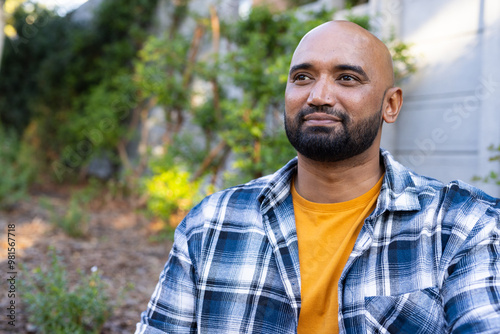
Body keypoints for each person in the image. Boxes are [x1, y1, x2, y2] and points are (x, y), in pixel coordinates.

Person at [136, 20, 500, 333]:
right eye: (303, 77)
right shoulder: (211, 224)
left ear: (390, 105)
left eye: (346, 78)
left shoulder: (462, 227)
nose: (319, 96)